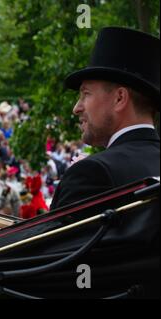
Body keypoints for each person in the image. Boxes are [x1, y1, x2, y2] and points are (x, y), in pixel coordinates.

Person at [51, 27, 160, 210]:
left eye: (86, 94)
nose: (76, 108)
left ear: (119, 98)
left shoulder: (92, 174)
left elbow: (51, 239)